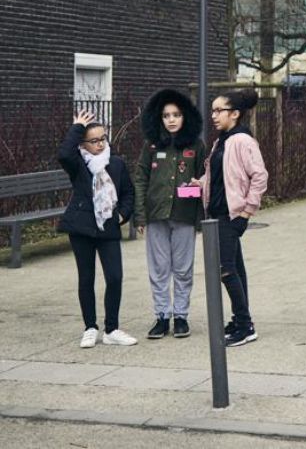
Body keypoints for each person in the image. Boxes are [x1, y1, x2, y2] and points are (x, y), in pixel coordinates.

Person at [57, 110, 137, 348]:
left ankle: (111, 329)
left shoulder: (117, 163)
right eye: (94, 140)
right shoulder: (78, 164)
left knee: (114, 277)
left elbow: (128, 192)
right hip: (81, 228)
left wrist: (122, 214)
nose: (100, 144)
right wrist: (77, 127)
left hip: (108, 227)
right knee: (86, 278)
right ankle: (90, 327)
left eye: (103, 138)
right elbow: (63, 154)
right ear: (83, 143)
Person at [196, 87, 268, 347]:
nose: (214, 116)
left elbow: (259, 176)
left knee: (225, 269)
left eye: (219, 111)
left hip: (231, 214)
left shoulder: (241, 141)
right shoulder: (222, 140)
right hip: (217, 211)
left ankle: (245, 325)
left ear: (235, 114)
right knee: (235, 267)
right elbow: (223, 175)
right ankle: (241, 320)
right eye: (212, 110)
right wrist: (201, 183)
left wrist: (248, 211)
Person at [134, 89, 205, 340]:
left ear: (186, 116)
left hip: (185, 215)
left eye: (176, 114)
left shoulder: (196, 146)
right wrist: (140, 215)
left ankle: (181, 316)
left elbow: (204, 181)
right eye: (166, 115)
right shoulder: (152, 146)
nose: (171, 120)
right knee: (159, 269)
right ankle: (162, 316)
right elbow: (141, 178)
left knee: (183, 269)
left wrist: (201, 217)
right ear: (159, 118)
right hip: (156, 216)